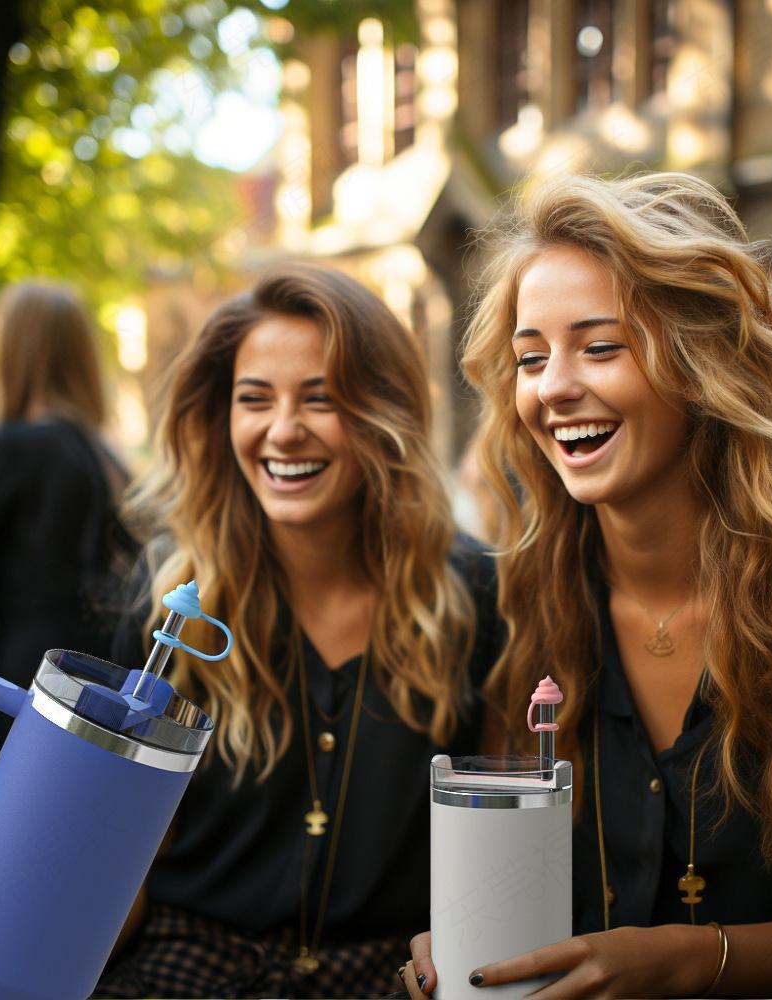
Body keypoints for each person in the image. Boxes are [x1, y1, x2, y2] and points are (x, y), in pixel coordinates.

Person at [404, 173, 772, 998]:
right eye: (530, 357)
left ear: (701, 361)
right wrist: (467, 940)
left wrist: (697, 961)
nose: (552, 386)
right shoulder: (520, 600)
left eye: (600, 346)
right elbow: (515, 878)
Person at [94, 265, 496, 1000]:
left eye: (322, 399)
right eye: (255, 400)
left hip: (390, 977)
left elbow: (506, 845)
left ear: (384, 413)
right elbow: (114, 862)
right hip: (189, 965)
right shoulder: (168, 606)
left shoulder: (474, 596)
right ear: (221, 416)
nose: (283, 431)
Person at [0, 283, 133, 755]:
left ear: (17, 349)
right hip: (96, 670)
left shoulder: (17, 444)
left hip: (23, 672)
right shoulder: (99, 451)